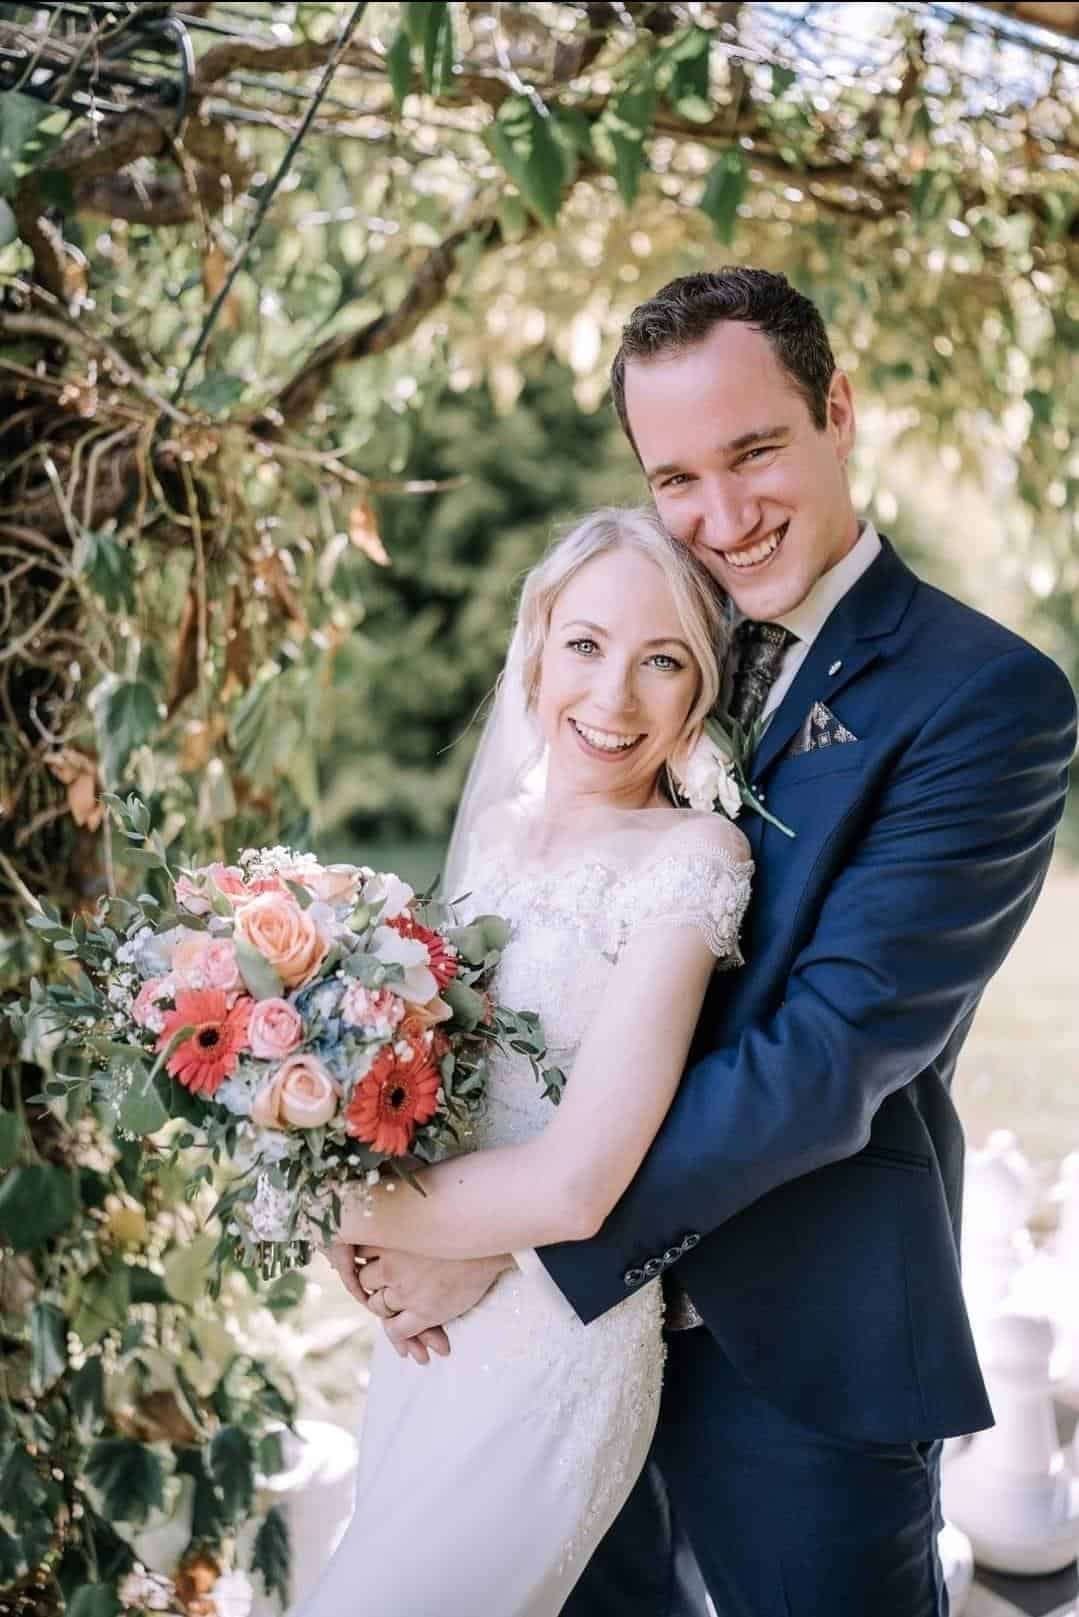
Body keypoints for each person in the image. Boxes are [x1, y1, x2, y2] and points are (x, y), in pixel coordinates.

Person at [340, 268, 1078, 1617]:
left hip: (794, 1335)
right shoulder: (646, 638)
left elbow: (828, 1050)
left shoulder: (984, 699)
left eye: (753, 451)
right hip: (546, 1361)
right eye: (675, 475)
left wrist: (509, 1234)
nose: (721, 517)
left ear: (835, 410)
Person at [301, 508, 754, 1616]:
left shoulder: (692, 860)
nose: (611, 699)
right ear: (537, 642)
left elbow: (576, 1179)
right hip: (426, 1327)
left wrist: (360, 1214)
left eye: (662, 662)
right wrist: (349, 1240)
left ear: (700, 689)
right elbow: (429, 1084)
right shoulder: (495, 833)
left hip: (554, 1342)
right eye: (586, 646)